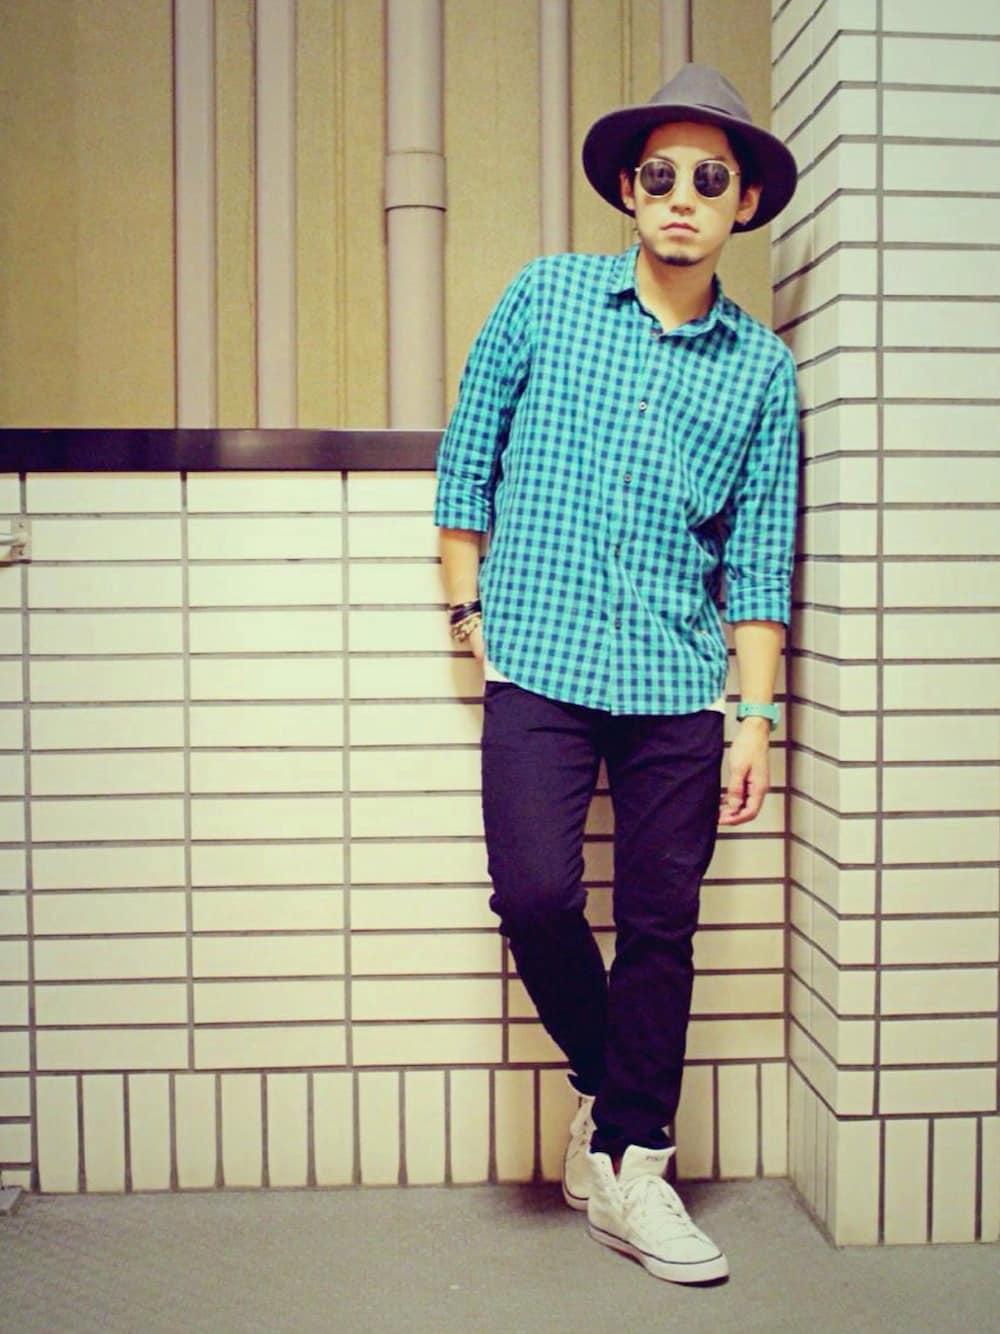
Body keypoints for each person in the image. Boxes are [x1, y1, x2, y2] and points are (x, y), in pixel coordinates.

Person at [433, 64, 799, 1285]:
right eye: (660, 174)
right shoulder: (544, 298)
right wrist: (466, 606)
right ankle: (611, 1089)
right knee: (536, 894)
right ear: (630, 193)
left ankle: (634, 1164)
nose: (683, 195)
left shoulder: (760, 369)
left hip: (677, 684)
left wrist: (754, 716)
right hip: (538, 659)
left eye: (710, 177)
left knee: (659, 926)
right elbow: (466, 461)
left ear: (744, 202)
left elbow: (757, 559)